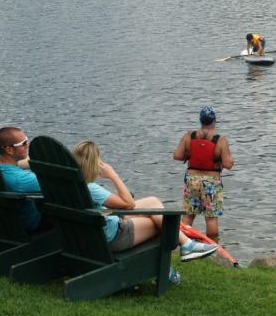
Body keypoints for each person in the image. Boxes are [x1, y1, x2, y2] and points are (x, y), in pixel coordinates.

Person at [73, 140, 217, 265]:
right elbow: (129, 204)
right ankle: (169, 265)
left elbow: (125, 203)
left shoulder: (72, 185)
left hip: (94, 231)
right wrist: (112, 175)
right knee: (164, 224)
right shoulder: (91, 188)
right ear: (93, 164)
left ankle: (186, 244)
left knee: (153, 202)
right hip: (114, 236)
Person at [173, 106, 234, 245]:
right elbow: (228, 164)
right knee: (211, 218)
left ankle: (183, 244)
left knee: (188, 215)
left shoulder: (189, 136)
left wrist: (189, 155)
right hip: (211, 181)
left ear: (200, 120)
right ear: (214, 121)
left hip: (192, 179)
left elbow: (177, 155)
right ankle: (213, 247)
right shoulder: (220, 140)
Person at [0, 125, 49, 233]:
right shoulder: (22, 180)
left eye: (27, 141)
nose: (27, 145)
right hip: (34, 224)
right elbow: (57, 186)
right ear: (9, 149)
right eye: (23, 143)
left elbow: (20, 163)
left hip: (3, 222)